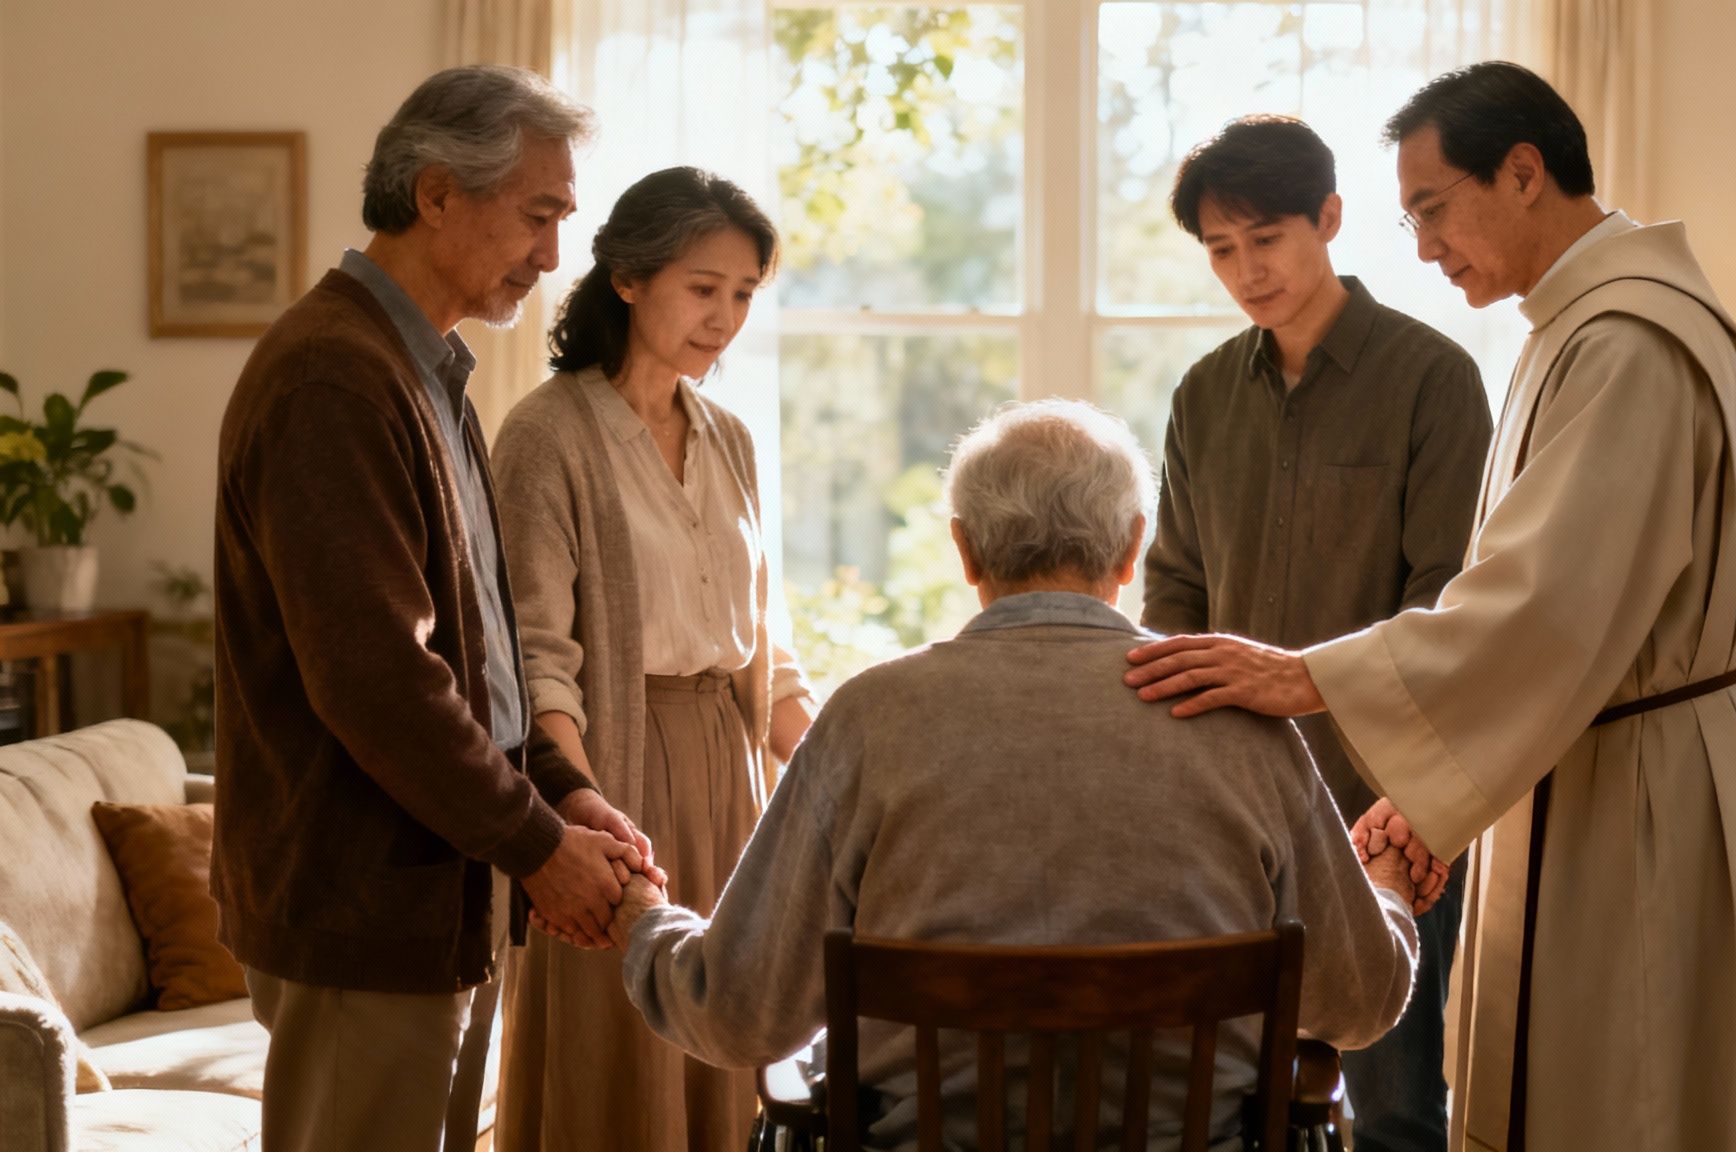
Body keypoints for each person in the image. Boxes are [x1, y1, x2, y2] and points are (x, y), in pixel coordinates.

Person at [1123, 62, 1736, 1151]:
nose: (1421, 247)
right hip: (1568, 754)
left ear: (1520, 172)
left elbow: (1531, 605)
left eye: (1432, 209)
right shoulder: (1579, 327)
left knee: (1628, 1096)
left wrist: (1307, 681)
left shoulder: (1622, 342)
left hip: (1639, 785)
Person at [608, 399, 1421, 1149]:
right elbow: (1360, 1000)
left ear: (963, 549)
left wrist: (644, 916)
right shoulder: (1238, 722)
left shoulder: (868, 720)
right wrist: (1384, 882)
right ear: (1135, 547)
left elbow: (737, 1013)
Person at [213, 65, 657, 1152]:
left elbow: (477, 655)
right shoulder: (335, 378)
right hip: (363, 904)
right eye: (539, 214)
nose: (555, 257)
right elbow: (376, 678)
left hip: (430, 896)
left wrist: (559, 792)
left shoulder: (423, 375)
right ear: (436, 194)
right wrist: (535, 842)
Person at [1144, 113, 1492, 1152]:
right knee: (1236, 1091)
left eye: (1265, 238)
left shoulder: (1432, 380)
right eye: (1219, 250)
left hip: (1385, 810)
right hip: (1233, 807)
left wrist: (1405, 795)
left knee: (1394, 1105)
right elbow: (1173, 586)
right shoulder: (1202, 396)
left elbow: (1450, 603)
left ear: (1328, 219)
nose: (1245, 271)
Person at [490, 166, 817, 1152]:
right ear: (628, 277)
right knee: (612, 1048)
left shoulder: (733, 440)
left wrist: (835, 773)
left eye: (744, 296)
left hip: (730, 772)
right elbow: (534, 659)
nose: (723, 317)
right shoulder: (546, 434)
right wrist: (580, 822)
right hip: (609, 773)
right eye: (702, 287)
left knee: (729, 1033)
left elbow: (767, 644)